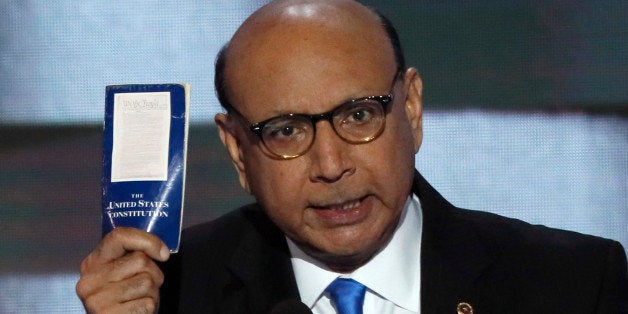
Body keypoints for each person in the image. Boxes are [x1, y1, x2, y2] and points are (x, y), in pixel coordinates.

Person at [76, 0, 628, 313]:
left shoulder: (574, 285)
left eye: (359, 116)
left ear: (410, 107)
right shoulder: (167, 294)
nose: (331, 164)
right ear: (238, 151)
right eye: (286, 131)